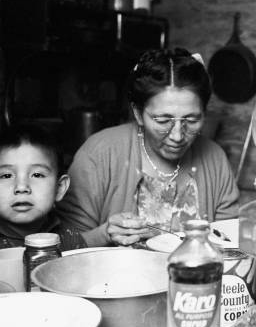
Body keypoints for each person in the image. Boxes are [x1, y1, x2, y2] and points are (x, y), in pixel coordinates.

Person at [57, 48, 240, 247]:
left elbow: (230, 244)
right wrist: (103, 235)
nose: (177, 135)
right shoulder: (100, 154)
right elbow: (64, 246)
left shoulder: (214, 159)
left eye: (192, 119)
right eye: (162, 120)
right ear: (137, 113)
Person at [0, 124, 85, 250]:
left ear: (60, 188)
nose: (22, 187)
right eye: (6, 175)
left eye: (37, 174)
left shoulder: (70, 238)